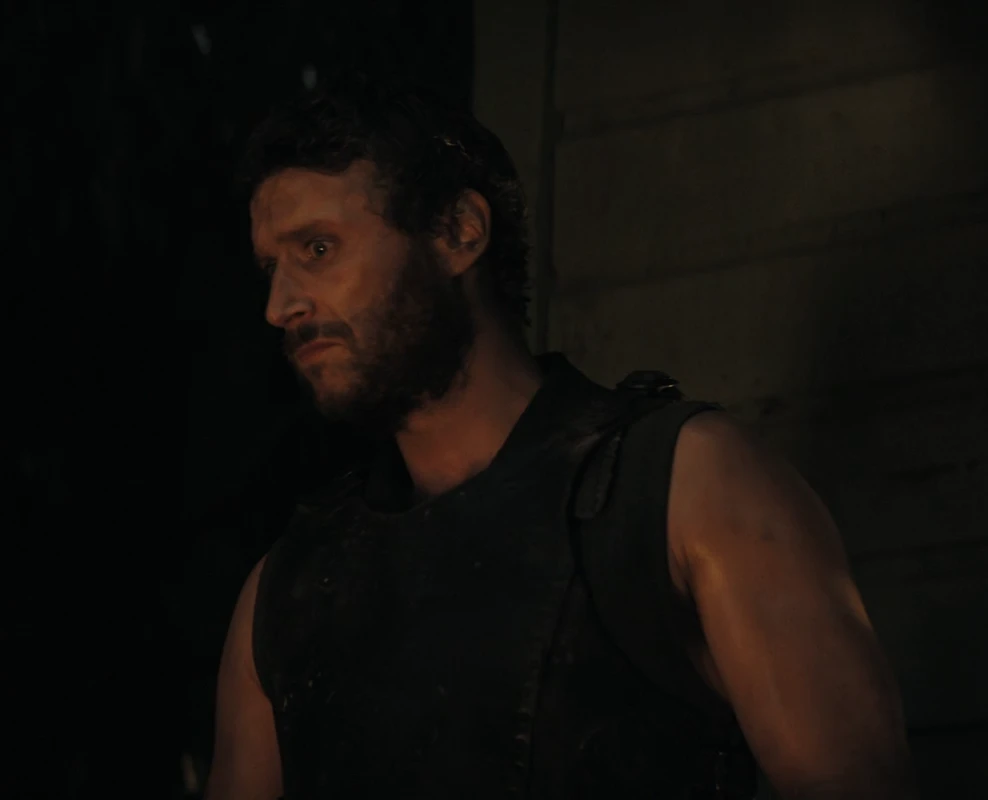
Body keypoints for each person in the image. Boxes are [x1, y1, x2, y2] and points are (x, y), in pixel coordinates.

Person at [207, 78, 918, 800]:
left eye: (318, 248)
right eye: (271, 269)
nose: (279, 305)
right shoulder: (287, 591)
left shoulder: (686, 487)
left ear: (458, 232)